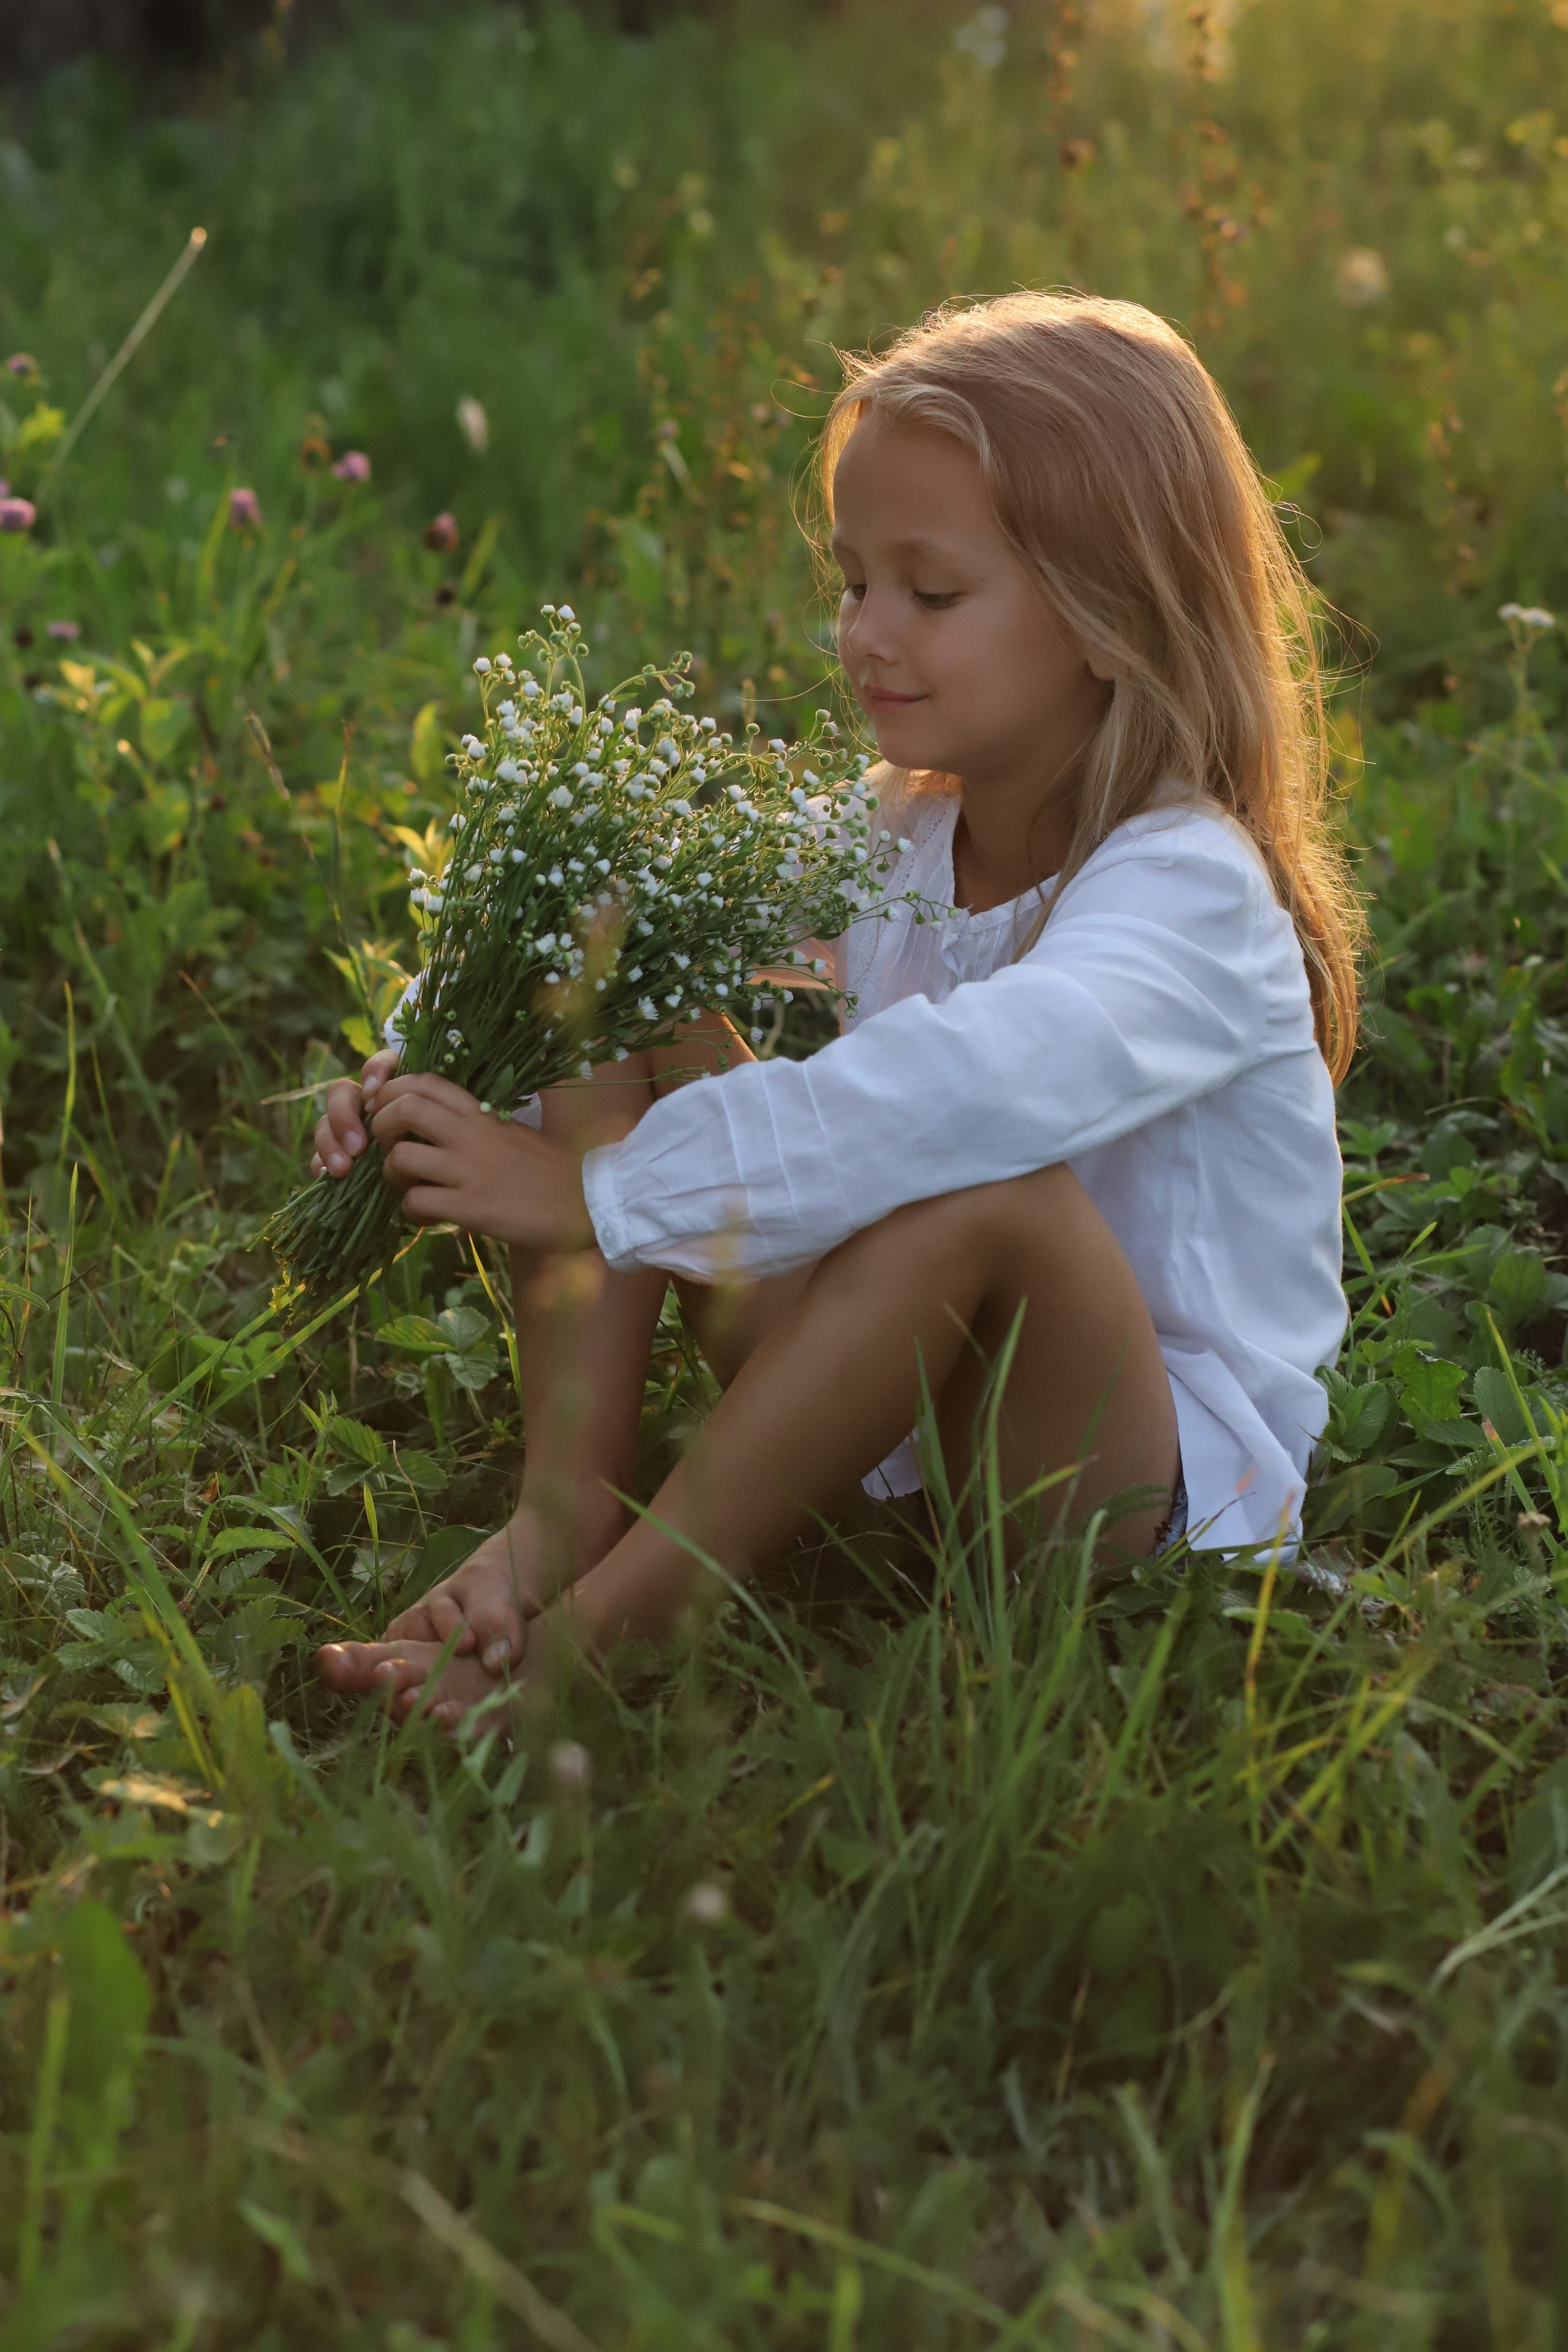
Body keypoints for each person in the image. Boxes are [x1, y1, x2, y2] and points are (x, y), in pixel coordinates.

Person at [314, 291, 1360, 1724]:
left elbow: (967, 1092)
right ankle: (563, 1517)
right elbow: (627, 924)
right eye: (855, 580)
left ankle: (589, 1652)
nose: (865, 631)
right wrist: (430, 1077)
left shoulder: (1189, 891)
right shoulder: (896, 828)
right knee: (630, 964)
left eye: (930, 594)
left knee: (989, 1195)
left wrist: (603, 1194)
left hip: (1120, 1506)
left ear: (1113, 618)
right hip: (884, 1442)